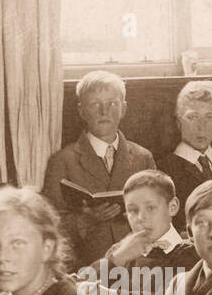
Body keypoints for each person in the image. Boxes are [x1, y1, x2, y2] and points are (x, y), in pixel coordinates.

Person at [41, 71, 156, 267]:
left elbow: (159, 215)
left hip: (138, 268)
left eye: (112, 103)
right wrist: (86, 220)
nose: (104, 112)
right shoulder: (62, 161)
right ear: (81, 111)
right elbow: (50, 227)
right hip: (86, 267)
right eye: (95, 104)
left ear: (123, 108)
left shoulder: (143, 157)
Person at [79, 170, 197, 295]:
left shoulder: (191, 253)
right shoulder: (120, 252)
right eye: (133, 210)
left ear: (172, 207)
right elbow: (79, 291)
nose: (141, 218)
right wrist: (117, 258)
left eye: (151, 208)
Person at [155, 80, 212, 227]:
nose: (201, 127)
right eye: (193, 117)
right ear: (178, 122)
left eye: (209, 117)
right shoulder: (163, 169)